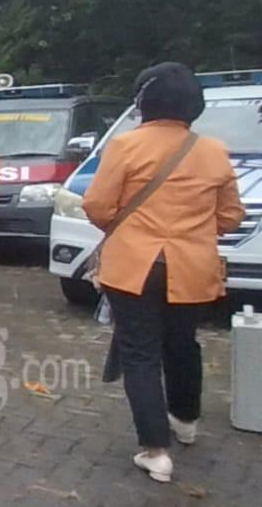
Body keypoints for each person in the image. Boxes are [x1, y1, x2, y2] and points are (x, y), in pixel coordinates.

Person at [85, 63, 242, 483]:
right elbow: (230, 217)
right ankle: (186, 420)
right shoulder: (213, 151)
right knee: (183, 344)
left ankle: (155, 451)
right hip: (192, 267)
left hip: (134, 266)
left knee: (139, 352)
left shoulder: (124, 146)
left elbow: (97, 207)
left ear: (143, 101)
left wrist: (131, 227)